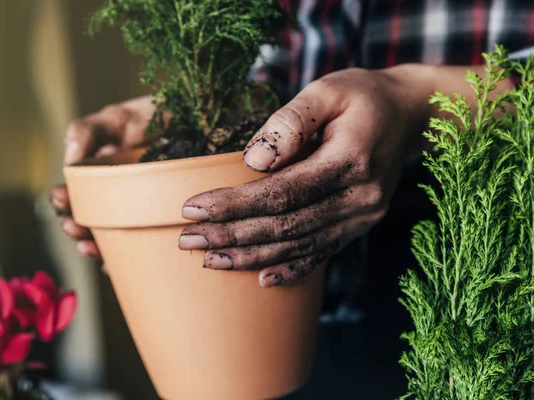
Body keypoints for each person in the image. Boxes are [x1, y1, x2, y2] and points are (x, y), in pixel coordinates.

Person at [50, 1, 534, 322]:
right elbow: (290, 53)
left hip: (491, 291)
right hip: (307, 309)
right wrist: (207, 114)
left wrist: (418, 106)